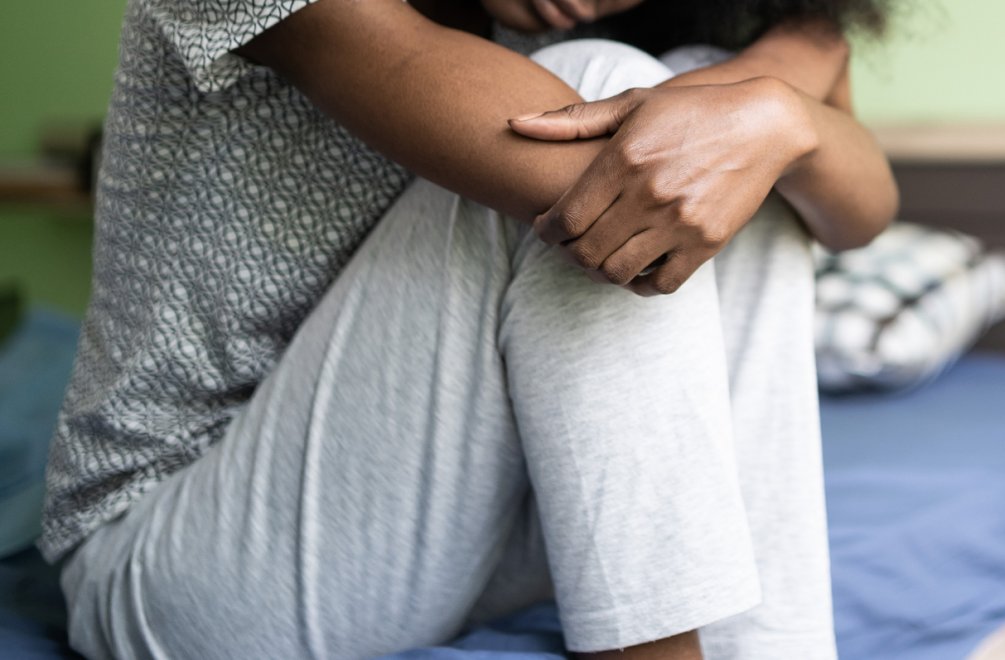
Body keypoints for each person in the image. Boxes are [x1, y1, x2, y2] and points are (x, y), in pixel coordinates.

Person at [42, 0, 897, 658]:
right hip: (180, 566)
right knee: (640, 114)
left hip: (449, 531)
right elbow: (610, 183)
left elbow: (860, 214)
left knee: (741, 142)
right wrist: (795, 72)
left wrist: (787, 104)